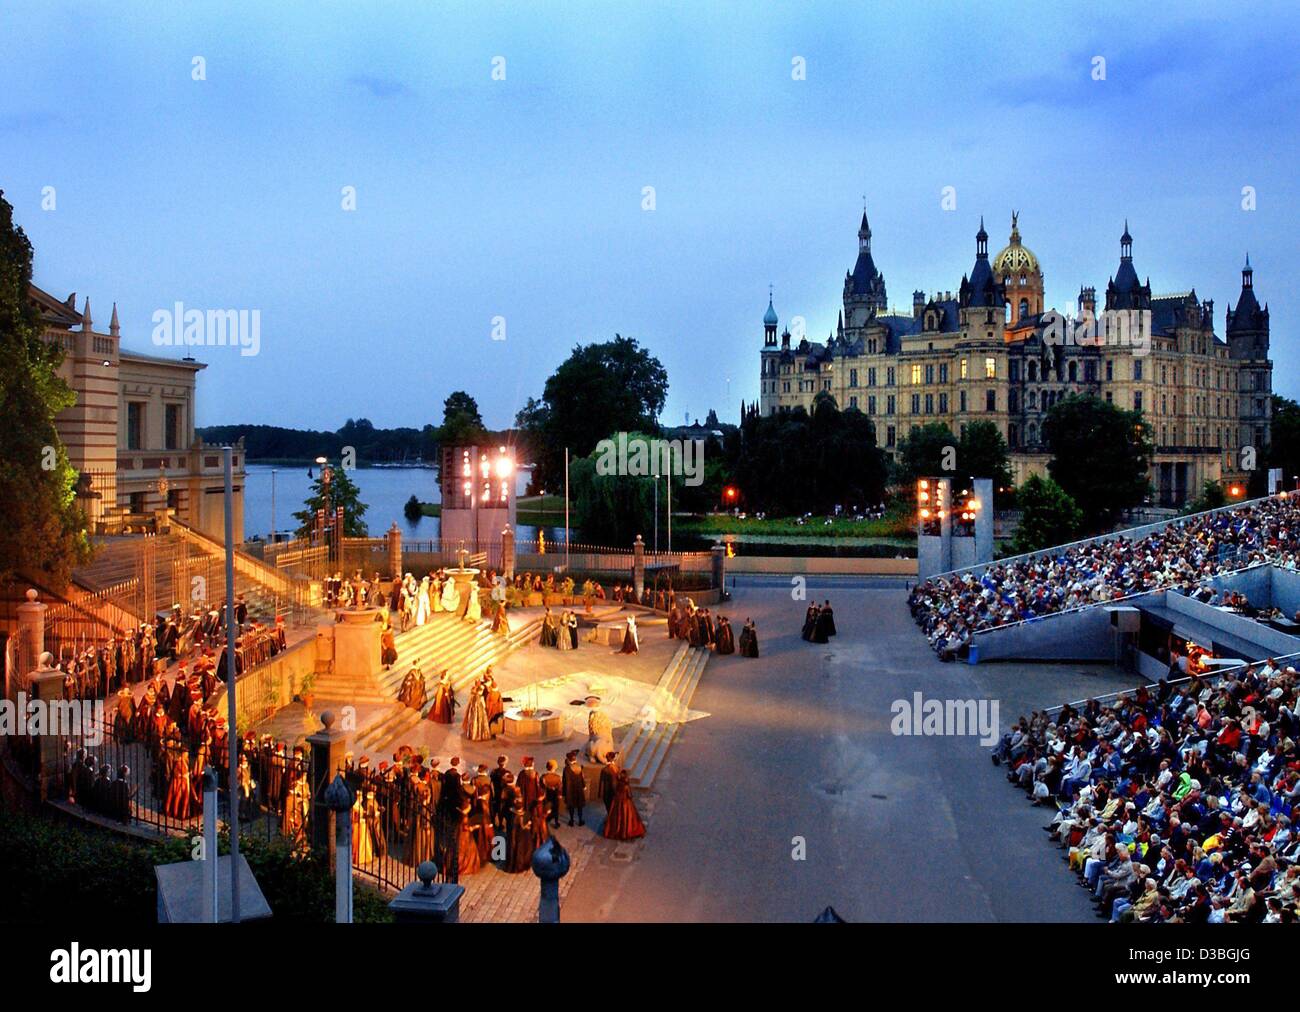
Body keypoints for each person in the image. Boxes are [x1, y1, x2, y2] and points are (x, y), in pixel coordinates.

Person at [603, 769, 646, 840]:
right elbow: (629, 795)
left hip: (617, 802)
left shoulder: (618, 784)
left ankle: (617, 831)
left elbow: (615, 791)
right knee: (627, 818)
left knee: (617, 818)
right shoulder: (626, 786)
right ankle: (625, 833)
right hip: (625, 803)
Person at [562, 749, 587, 827]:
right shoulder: (579, 767)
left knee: (571, 806)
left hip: (570, 790)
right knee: (579, 806)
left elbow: (564, 781)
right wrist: (584, 786)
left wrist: (564, 792)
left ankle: (572, 821)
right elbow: (582, 778)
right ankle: (580, 820)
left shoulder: (566, 769)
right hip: (579, 789)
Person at [540, 759, 563, 828]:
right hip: (555, 795)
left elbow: (541, 787)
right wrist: (560, 794)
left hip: (547, 795)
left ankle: (546, 822)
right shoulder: (558, 777)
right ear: (554, 768)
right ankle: (556, 822)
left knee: (546, 809)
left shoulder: (543, 777)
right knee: (556, 809)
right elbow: (560, 787)